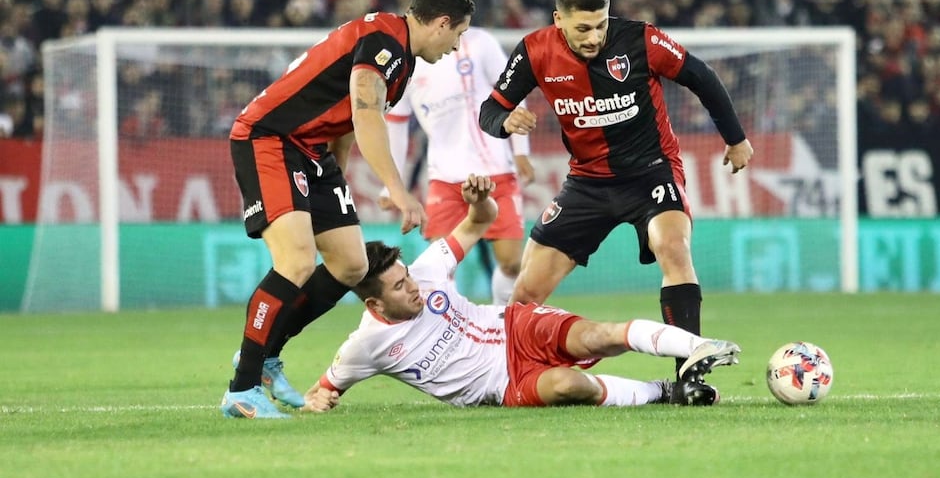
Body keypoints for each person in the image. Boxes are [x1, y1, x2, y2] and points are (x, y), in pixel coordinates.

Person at [222, 0, 475, 419]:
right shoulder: (385, 43)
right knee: (296, 262)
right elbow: (364, 111)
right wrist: (398, 190)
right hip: (271, 138)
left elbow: (340, 119)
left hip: (311, 151)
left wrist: (332, 178)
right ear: (441, 23)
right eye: (458, 34)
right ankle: (242, 389)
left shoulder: (401, 56)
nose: (456, 47)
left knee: (351, 264)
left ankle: (265, 359)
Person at [478, 0, 754, 376]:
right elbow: (489, 109)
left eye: (601, 25)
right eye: (583, 28)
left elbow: (701, 76)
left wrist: (735, 138)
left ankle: (687, 375)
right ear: (559, 20)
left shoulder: (641, 40)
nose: (594, 37)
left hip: (652, 174)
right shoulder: (535, 50)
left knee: (674, 250)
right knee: (525, 292)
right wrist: (505, 121)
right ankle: (508, 374)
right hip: (587, 183)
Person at [302, 174, 741, 412]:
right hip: (504, 385)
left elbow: (479, 222)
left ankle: (700, 347)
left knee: (597, 336)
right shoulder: (365, 346)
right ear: (374, 304)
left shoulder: (428, 269)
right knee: (569, 386)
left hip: (515, 327)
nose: (413, 287)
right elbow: (325, 389)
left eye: (407, 276)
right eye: (400, 286)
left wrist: (479, 203)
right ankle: (665, 393)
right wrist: (317, 400)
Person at [380, 0, 535, 305]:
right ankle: (445, 336)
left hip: (496, 169)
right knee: (440, 267)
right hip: (445, 176)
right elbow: (396, 127)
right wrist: (388, 186)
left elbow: (513, 91)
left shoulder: (478, 42)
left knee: (511, 261)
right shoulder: (403, 63)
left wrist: (521, 151)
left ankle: (502, 327)